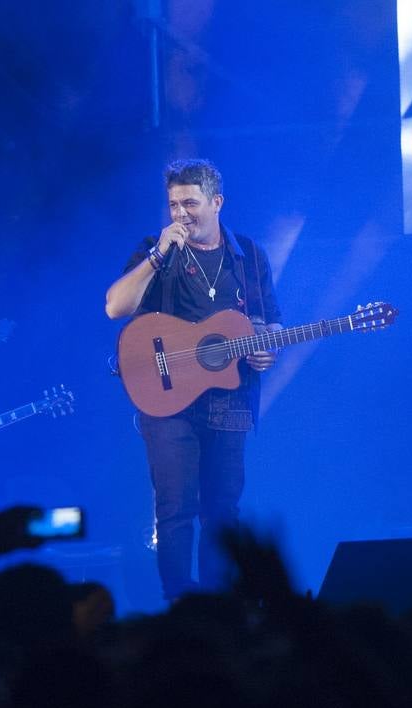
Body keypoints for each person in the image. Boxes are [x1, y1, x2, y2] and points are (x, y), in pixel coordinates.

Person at [104, 158, 283, 601]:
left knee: (222, 510)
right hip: (167, 402)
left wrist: (269, 347)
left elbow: (273, 322)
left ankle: (222, 606)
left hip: (231, 398)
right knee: (175, 508)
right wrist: (157, 254)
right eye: (173, 204)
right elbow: (114, 307)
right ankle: (179, 606)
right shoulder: (156, 251)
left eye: (190, 203)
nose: (180, 213)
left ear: (216, 202)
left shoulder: (249, 255)